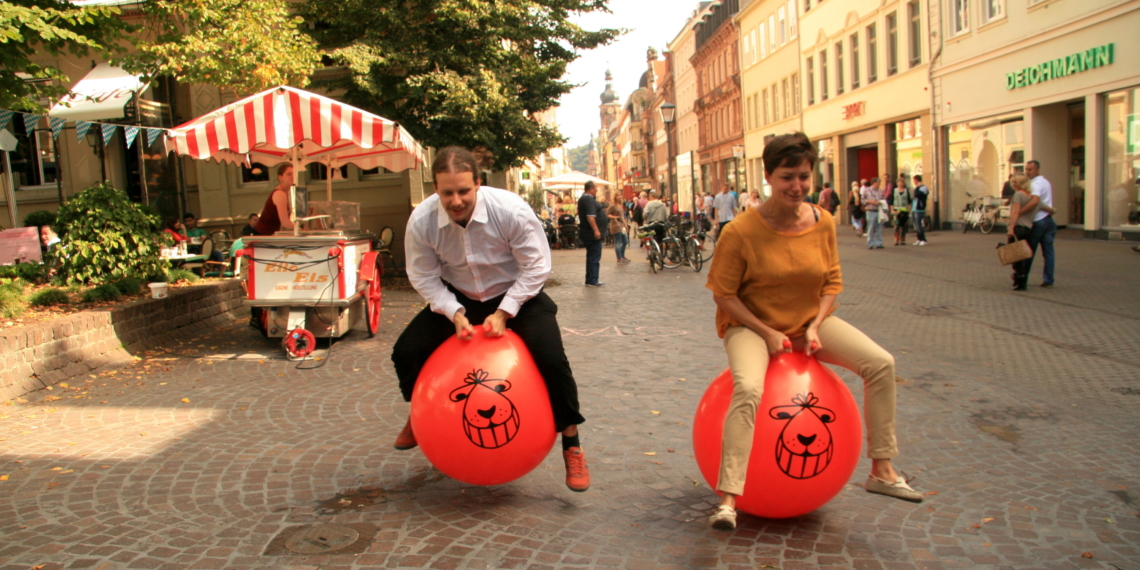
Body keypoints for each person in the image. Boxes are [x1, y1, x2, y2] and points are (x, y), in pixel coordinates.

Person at [704, 132, 923, 531]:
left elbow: (832, 281)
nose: (797, 186)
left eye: (804, 176)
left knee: (881, 364)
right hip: (751, 325)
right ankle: (729, 498)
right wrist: (767, 332)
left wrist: (817, 324)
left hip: (809, 323)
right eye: (787, 177)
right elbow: (724, 295)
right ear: (769, 176)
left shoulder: (822, 222)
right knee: (748, 388)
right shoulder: (740, 231)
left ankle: (883, 470)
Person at [391, 147, 590, 492]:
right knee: (406, 352)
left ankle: (571, 443)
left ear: (478, 183)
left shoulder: (509, 210)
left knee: (551, 358)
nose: (455, 201)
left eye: (463, 191)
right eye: (447, 193)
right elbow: (422, 275)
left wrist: (505, 311)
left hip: (518, 295)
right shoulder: (422, 221)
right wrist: (452, 310)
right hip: (460, 297)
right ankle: (419, 413)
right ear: (435, 188)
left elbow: (537, 266)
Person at [1025, 160, 1057, 287]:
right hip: (1048, 220)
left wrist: (1021, 211)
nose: (1027, 172)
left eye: (1030, 169)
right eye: (1026, 169)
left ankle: (1023, 277)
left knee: (1029, 251)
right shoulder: (1045, 182)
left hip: (1038, 221)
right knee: (1048, 252)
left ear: (1037, 170)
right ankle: (1048, 279)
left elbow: (1035, 201)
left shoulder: (1036, 184)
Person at [1006, 174, 1040, 291]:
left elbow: (1015, 212)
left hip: (1018, 228)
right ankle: (1021, 279)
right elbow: (1046, 208)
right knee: (1022, 255)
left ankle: (1019, 280)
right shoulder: (1031, 197)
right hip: (1028, 229)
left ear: (1022, 183)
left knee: (1015, 256)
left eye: (1016, 182)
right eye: (1012, 182)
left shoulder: (1018, 195)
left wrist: (1011, 228)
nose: (1013, 184)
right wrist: (1052, 211)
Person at [252, 164, 296, 235]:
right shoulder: (280, 193)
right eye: (289, 174)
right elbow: (285, 222)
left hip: (268, 234)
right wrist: (299, 229)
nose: (292, 176)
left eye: (294, 173)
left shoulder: (285, 192)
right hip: (262, 234)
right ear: (280, 177)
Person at [578, 181, 607, 287]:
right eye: (595, 189)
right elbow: (590, 216)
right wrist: (596, 230)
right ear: (591, 189)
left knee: (592, 256)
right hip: (591, 234)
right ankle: (592, 279)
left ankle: (591, 278)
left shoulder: (584, 199)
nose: (596, 191)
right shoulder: (588, 199)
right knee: (594, 257)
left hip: (588, 232)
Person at [861, 177, 886, 249]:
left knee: (879, 228)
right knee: (870, 228)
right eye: (878, 183)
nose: (879, 184)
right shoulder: (867, 190)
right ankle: (870, 243)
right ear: (874, 183)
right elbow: (862, 200)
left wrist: (880, 202)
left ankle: (879, 243)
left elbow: (883, 199)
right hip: (870, 211)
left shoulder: (880, 191)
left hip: (878, 211)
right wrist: (870, 201)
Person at [607, 196, 630, 264]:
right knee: (618, 241)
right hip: (615, 225)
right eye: (618, 196)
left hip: (621, 225)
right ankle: (619, 258)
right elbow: (607, 214)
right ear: (615, 197)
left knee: (625, 241)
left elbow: (622, 216)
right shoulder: (612, 205)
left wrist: (625, 224)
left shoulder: (620, 205)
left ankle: (622, 256)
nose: (620, 197)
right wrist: (615, 217)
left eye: (620, 196)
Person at [891, 177, 912, 246]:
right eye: (899, 182)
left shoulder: (906, 191)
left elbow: (909, 201)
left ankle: (902, 239)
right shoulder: (894, 190)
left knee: (903, 225)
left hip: (904, 209)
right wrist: (892, 209)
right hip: (896, 209)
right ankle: (896, 239)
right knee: (896, 225)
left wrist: (908, 209)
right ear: (897, 183)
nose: (900, 184)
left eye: (902, 182)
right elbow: (891, 201)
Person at [911, 175, 929, 246]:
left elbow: (917, 194)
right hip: (914, 208)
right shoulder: (917, 188)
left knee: (919, 224)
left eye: (914, 180)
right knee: (916, 225)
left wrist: (918, 187)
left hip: (919, 208)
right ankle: (919, 239)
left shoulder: (923, 188)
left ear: (917, 180)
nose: (914, 182)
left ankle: (923, 239)